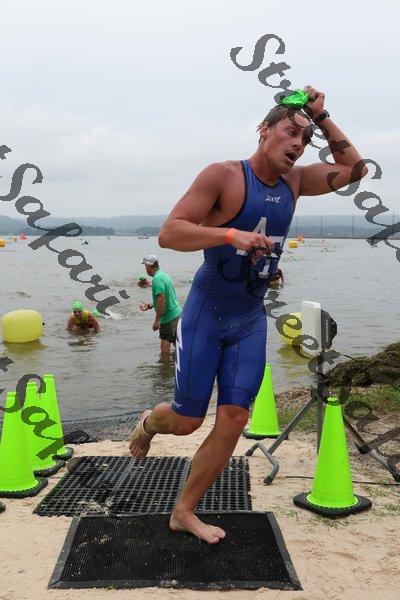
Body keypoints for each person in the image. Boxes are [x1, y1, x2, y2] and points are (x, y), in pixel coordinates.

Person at [129, 85, 368, 544]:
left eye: (305, 139)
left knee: (235, 417)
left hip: (249, 319)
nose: (298, 144)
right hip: (206, 313)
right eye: (290, 132)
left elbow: (355, 170)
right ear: (264, 130)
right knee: (186, 421)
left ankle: (184, 510)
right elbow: (169, 234)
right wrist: (228, 235)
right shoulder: (223, 175)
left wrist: (321, 117)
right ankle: (147, 423)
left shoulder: (295, 183)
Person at [139, 255, 181, 357]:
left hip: (169, 318)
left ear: (148, 266)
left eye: (145, 265)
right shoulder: (164, 275)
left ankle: (166, 367)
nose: (145, 268)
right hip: (177, 314)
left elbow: (162, 299)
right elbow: (167, 297)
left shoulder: (157, 279)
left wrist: (157, 321)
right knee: (179, 347)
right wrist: (150, 305)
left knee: (164, 352)